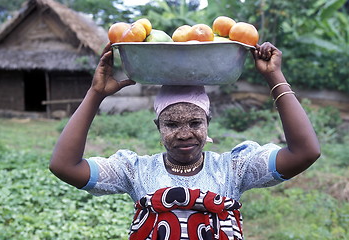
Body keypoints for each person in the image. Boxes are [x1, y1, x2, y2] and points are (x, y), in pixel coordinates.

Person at [49, 42, 320, 239]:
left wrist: (275, 76)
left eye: (195, 122)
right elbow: (64, 166)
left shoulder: (233, 169)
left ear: (208, 123)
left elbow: (304, 152)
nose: (184, 133)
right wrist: (96, 93)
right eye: (171, 124)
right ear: (158, 127)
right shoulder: (135, 170)